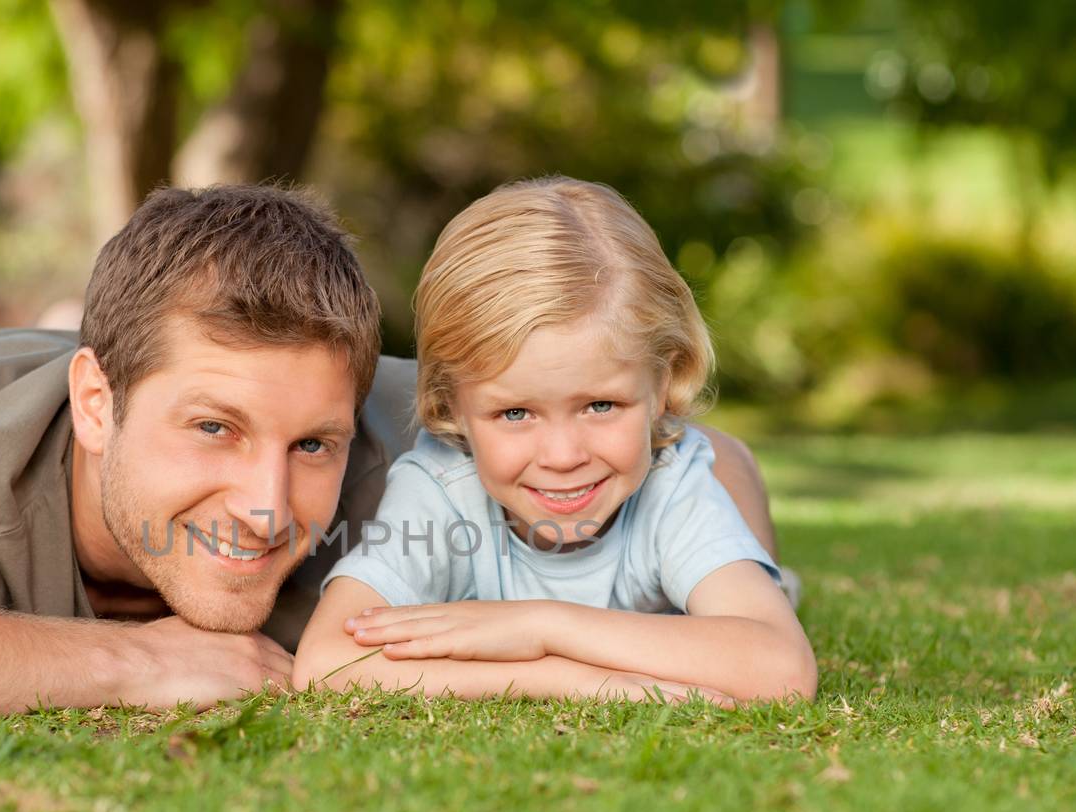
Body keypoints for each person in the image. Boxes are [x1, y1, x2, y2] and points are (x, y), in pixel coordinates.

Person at [0, 182, 784, 720]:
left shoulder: (400, 436)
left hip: (82, 357)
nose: (264, 502)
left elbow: (707, 455)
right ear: (98, 405)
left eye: (310, 444)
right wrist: (138, 664)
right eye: (212, 428)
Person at [293, 178, 816, 705]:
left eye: (600, 406)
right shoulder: (441, 486)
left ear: (662, 384)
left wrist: (540, 626)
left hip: (700, 498)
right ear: (452, 407)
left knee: (720, 468)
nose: (564, 457)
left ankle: (758, 572)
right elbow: (326, 660)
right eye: (515, 413)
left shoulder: (671, 483)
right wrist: (575, 680)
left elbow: (780, 669)